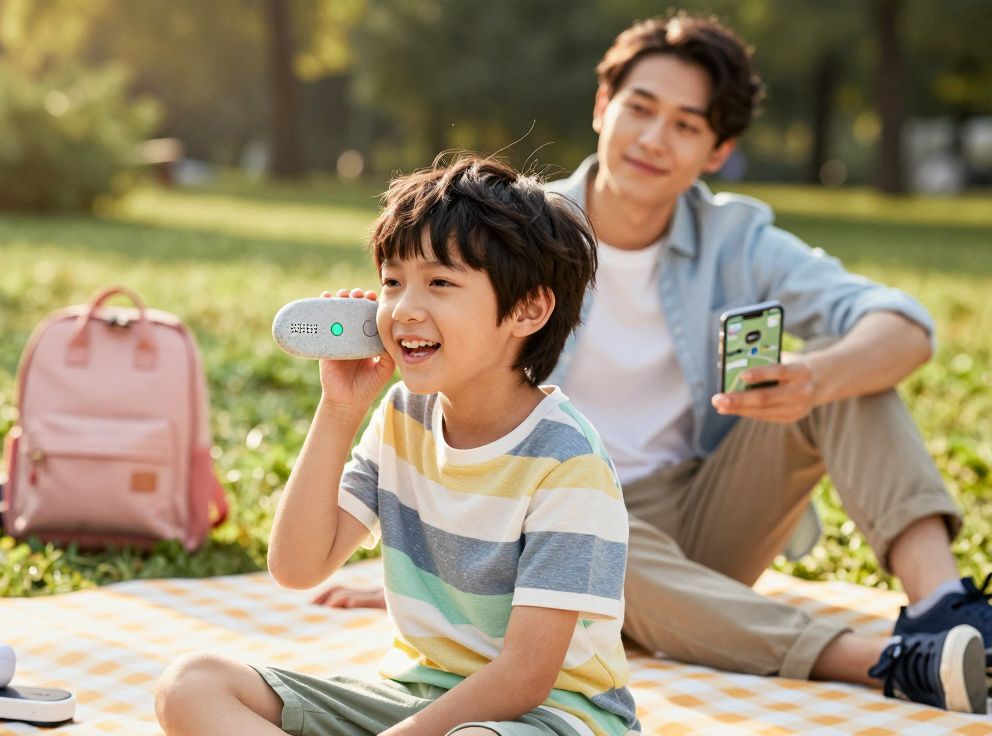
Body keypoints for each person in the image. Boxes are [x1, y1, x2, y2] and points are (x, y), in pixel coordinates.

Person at [314, 12, 992, 715]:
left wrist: (815, 379)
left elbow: (904, 325)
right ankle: (887, 661)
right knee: (593, 531)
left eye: (685, 125)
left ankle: (945, 611)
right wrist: (442, 571)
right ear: (603, 106)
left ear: (718, 150)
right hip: (550, 513)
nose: (652, 139)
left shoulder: (738, 238)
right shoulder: (512, 230)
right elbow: (427, 334)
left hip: (707, 509)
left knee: (849, 371)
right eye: (639, 108)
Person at [155, 155, 642, 736]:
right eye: (392, 282)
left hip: (550, 716)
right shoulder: (401, 415)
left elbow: (525, 677)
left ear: (527, 309)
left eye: (440, 283)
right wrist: (340, 409)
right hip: (414, 697)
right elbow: (296, 567)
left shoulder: (568, 462)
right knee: (191, 684)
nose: (404, 309)